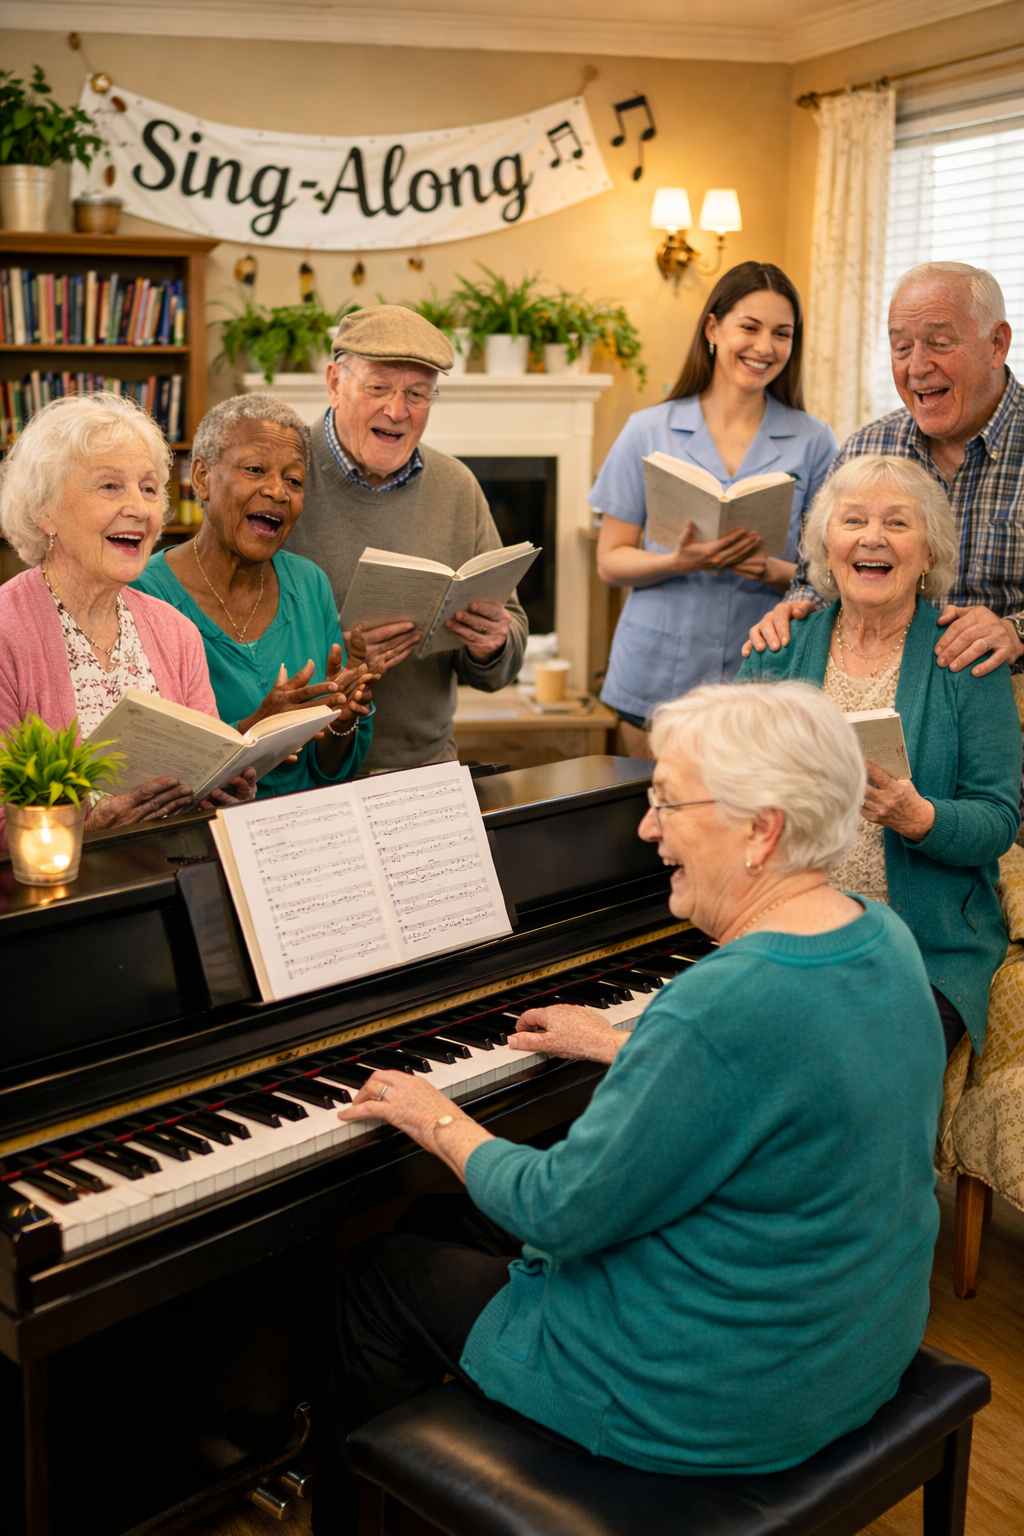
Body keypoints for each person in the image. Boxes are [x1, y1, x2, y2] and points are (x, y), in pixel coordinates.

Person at [310, 680, 946, 1536]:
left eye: (668, 802)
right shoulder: (881, 934)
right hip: (846, 1345)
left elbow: (559, 1209)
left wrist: (435, 1117)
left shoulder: (716, 1006)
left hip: (712, 1401)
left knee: (379, 1277)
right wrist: (622, 1044)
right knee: (444, 1222)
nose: (648, 828)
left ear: (761, 830)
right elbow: (790, 1073)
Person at [737, 454, 1021, 1056]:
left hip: (920, 952)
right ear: (827, 548)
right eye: (854, 521)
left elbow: (997, 821)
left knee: (839, 1064)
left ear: (928, 555)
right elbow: (725, 791)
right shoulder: (776, 652)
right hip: (785, 933)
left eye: (897, 523)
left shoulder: (967, 657)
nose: (872, 537)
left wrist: (918, 817)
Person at [591, 261, 837, 757]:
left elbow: (830, 575)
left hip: (765, 679)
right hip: (655, 672)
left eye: (782, 334)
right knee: (650, 820)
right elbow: (610, 560)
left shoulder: (815, 442)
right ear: (712, 328)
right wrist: (678, 562)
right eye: (749, 327)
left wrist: (771, 570)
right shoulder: (647, 430)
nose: (764, 347)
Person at [745, 262, 1024, 678]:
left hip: (1001, 697)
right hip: (876, 698)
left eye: (941, 343)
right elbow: (816, 581)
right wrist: (794, 611)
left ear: (997, 344)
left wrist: (1015, 630)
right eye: (901, 348)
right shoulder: (865, 448)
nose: (917, 367)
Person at [0, 392, 255, 837]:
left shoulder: (177, 633)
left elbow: (203, 767)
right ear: (45, 511)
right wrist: (90, 825)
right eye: (110, 486)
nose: (139, 508)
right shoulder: (7, 631)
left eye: (149, 488)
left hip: (172, 878)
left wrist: (220, 789)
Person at [285, 306, 528, 770]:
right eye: (378, 387)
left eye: (418, 393)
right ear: (334, 383)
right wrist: (333, 652)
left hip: (425, 769)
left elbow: (506, 653)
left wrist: (492, 644)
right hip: (302, 774)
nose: (397, 412)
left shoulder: (457, 486)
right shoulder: (284, 477)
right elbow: (229, 637)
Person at [132, 395, 378, 797]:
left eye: (294, 480)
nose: (278, 492)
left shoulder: (309, 584)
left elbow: (330, 771)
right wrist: (254, 732)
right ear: (202, 477)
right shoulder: (144, 594)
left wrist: (340, 719)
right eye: (255, 469)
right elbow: (148, 775)